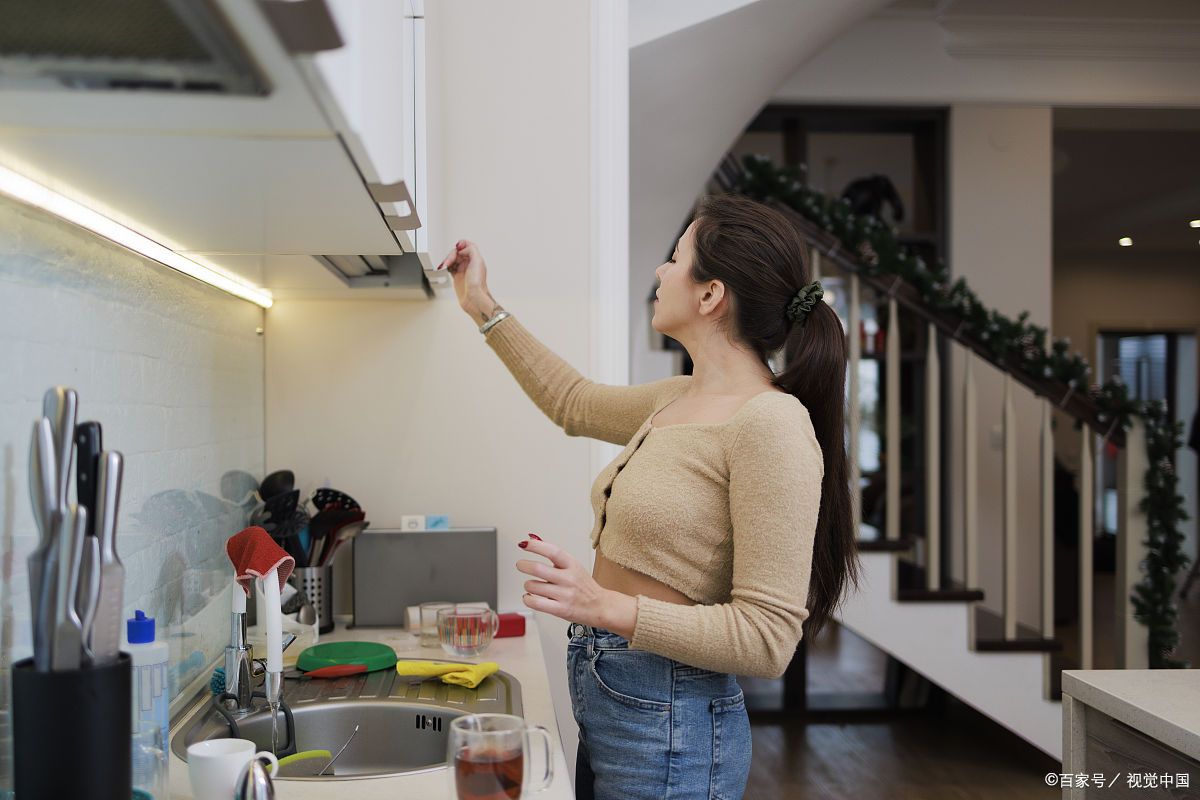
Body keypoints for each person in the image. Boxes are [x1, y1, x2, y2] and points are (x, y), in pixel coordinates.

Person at [437, 192, 860, 800]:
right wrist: (481, 304)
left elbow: (769, 639)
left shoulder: (771, 424)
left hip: (673, 722)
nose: (661, 271)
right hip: (616, 697)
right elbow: (573, 402)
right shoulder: (679, 397)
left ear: (711, 294)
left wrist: (604, 607)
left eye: (676, 257)